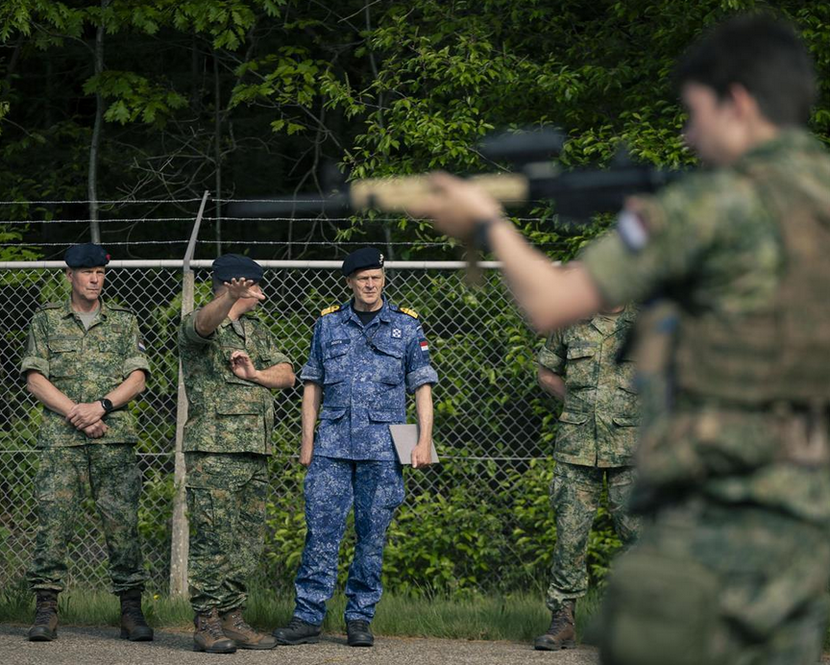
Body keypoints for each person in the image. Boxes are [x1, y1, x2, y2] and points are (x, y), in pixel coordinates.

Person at [417, 14, 830, 664]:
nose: (689, 139)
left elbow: (553, 303)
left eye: (695, 115)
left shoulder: (714, 204)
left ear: (739, 102)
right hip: (810, 521)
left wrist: (486, 224)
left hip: (714, 528)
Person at [272, 247, 438, 648]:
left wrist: (424, 440)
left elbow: (423, 386)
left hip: (383, 448)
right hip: (331, 446)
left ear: (384, 280)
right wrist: (307, 440)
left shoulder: (406, 327)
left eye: (376, 278)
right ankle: (308, 616)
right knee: (321, 532)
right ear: (349, 282)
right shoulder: (327, 325)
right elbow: (312, 384)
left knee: (371, 535)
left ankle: (360, 618)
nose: (369, 285)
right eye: (362, 278)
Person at [21, 242, 153, 643]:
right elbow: (34, 378)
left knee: (122, 525)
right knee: (53, 524)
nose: (95, 279)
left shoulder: (124, 322)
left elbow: (139, 376)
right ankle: (46, 609)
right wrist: (77, 413)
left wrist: (101, 406)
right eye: (87, 272)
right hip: (62, 440)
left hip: (112, 439)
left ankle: (131, 610)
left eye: (100, 272)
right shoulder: (45, 322)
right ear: (70, 276)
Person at [178, 254, 295, 654]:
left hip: (254, 450)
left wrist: (256, 375)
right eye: (256, 287)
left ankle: (233, 616)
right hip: (215, 450)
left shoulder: (257, 332)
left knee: (246, 541)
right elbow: (203, 325)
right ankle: (206, 621)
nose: (262, 296)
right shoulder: (200, 325)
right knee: (214, 538)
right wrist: (227, 297)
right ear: (234, 285)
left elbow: (287, 374)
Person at [534, 304, 640, 650]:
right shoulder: (571, 321)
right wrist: (577, 404)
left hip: (632, 449)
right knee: (570, 536)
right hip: (577, 448)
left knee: (640, 536)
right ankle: (563, 620)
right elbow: (546, 371)